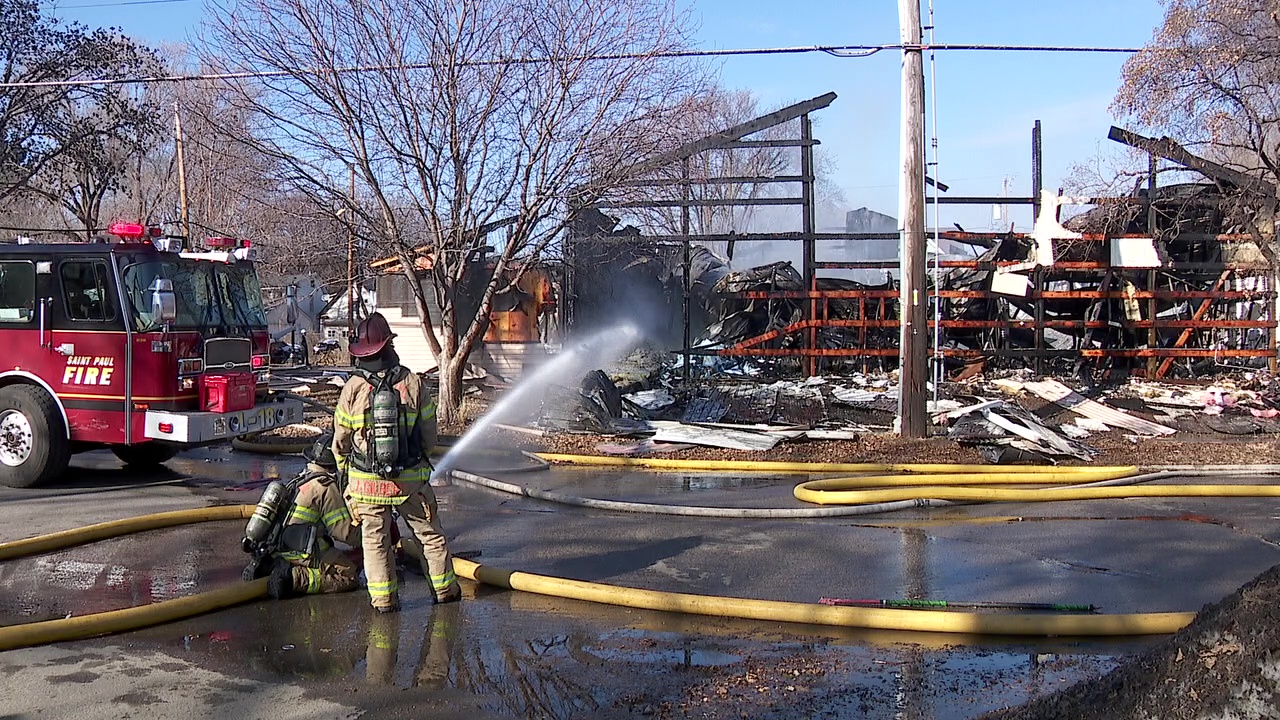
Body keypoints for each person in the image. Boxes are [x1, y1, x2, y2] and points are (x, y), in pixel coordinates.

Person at [333, 312, 460, 613]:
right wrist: (421, 462)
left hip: (365, 483)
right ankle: (444, 593)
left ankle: (384, 600)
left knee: (375, 543)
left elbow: (340, 439)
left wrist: (342, 469)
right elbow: (429, 436)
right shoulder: (413, 383)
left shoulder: (352, 388)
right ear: (389, 345)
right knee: (429, 536)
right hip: (410, 481)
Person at [244, 433, 363, 599]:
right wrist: (371, 532)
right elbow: (345, 534)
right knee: (348, 575)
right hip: (301, 554)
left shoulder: (303, 478)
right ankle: (293, 578)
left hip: (279, 549)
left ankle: (273, 567)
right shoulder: (325, 487)